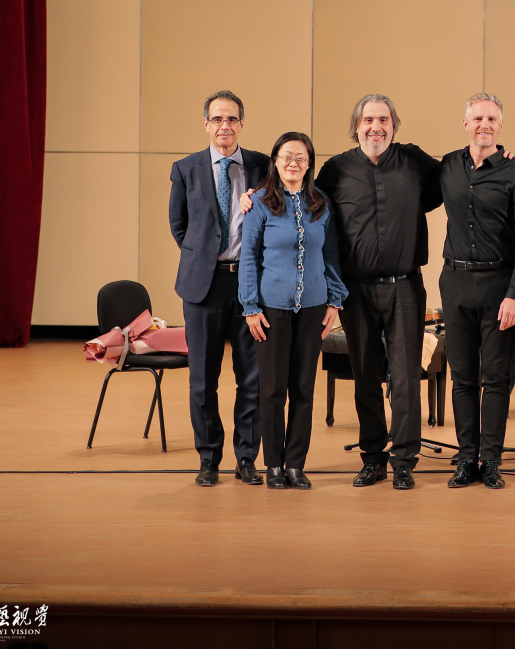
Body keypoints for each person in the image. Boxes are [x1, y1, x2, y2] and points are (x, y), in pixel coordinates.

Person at [316, 95, 442, 490]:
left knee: (405, 378)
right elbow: (306, 206)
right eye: (368, 119)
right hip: (355, 290)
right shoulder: (335, 170)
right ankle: (373, 458)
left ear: (393, 125)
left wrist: (496, 155)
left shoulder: (414, 161)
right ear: (356, 126)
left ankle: (404, 460)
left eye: (383, 120)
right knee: (366, 376)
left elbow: (459, 176)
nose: (376, 127)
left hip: (405, 286)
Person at [167, 90, 270, 488]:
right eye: (217, 119)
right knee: (202, 380)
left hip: (250, 285)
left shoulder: (263, 166)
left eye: (231, 119)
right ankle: (208, 459)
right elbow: (179, 226)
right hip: (203, 286)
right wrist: (207, 256)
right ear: (206, 124)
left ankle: (247, 458)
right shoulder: (185, 168)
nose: (224, 126)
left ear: (241, 124)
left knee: (252, 379)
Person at [438, 93, 515, 490]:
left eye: (491, 119)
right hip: (456, 281)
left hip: (500, 286)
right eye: (478, 118)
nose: (484, 125)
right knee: (462, 377)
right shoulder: (447, 166)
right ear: (465, 123)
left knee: (496, 378)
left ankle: (492, 461)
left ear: (501, 126)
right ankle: (466, 459)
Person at [239, 132, 346, 489]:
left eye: (301, 157)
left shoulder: (321, 203)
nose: (293, 163)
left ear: (309, 163)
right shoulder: (259, 203)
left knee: (303, 389)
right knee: (272, 390)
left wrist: (335, 300)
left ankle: (296, 464)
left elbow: (331, 255)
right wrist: (250, 306)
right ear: (275, 161)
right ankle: (273, 465)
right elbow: (249, 258)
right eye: (286, 156)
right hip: (271, 309)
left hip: (313, 307)